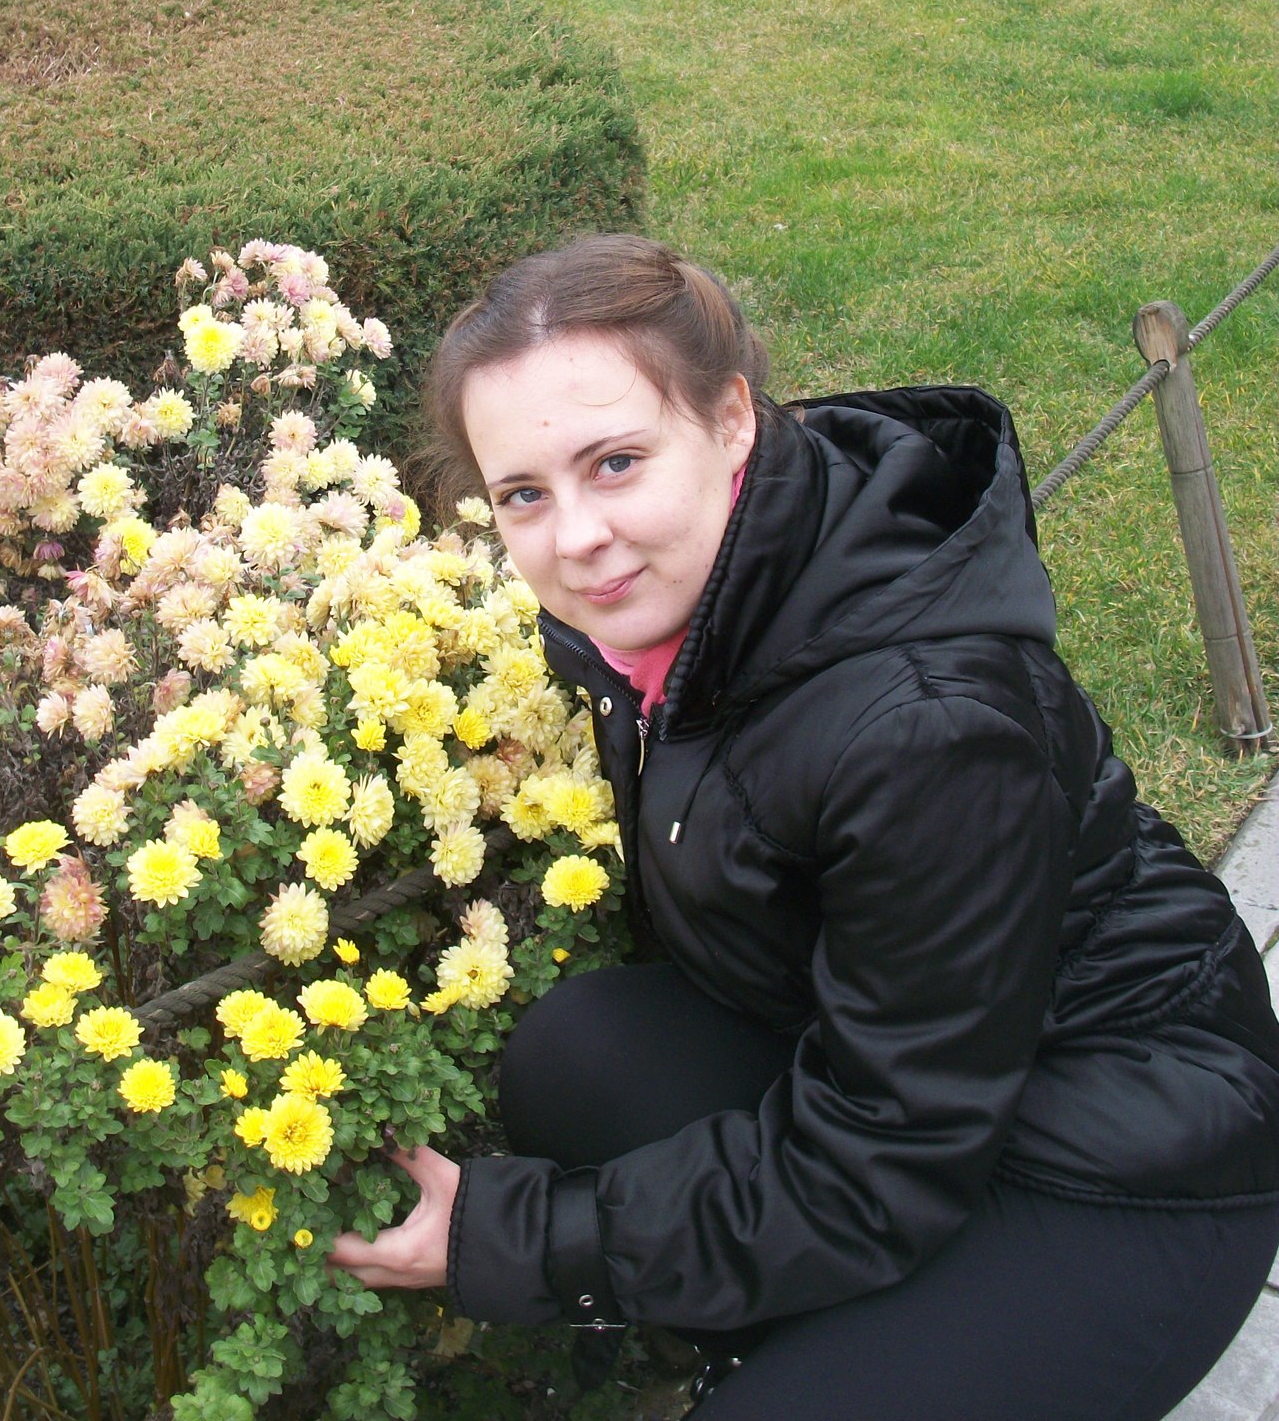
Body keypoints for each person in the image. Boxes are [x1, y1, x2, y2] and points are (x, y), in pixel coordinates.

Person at [327, 234, 1279, 1420]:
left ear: (731, 420)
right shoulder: (685, 602)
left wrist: (520, 1238)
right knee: (582, 1055)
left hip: (1125, 1160)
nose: (573, 537)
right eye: (524, 492)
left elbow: (879, 1160)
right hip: (936, 1080)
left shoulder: (925, 726)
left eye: (615, 462)